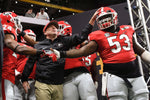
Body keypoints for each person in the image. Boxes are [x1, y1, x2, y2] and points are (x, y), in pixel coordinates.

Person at [52, 7, 150, 100]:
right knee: (118, 97)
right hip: (114, 75)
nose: (105, 20)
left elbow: (140, 51)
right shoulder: (98, 36)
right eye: (102, 19)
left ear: (114, 17)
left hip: (135, 73)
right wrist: (62, 54)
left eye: (107, 17)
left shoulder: (127, 30)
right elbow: (81, 51)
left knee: (142, 96)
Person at [21, 10, 99, 100]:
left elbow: (81, 37)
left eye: (55, 27)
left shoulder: (64, 42)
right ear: (45, 32)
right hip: (42, 83)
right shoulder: (38, 45)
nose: (54, 28)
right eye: (51, 27)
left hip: (59, 84)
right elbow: (29, 63)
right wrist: (24, 79)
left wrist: (92, 21)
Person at [0, 11, 46, 100]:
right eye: (16, 21)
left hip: (9, 74)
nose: (17, 24)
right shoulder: (7, 30)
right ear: (9, 20)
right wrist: (38, 52)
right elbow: (14, 45)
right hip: (5, 73)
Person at [57, 21, 99, 100]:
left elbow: (84, 41)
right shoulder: (53, 44)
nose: (56, 31)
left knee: (90, 98)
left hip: (81, 73)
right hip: (66, 78)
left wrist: (95, 79)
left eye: (59, 28)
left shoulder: (75, 40)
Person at [14, 29, 37, 100]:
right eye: (29, 36)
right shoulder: (19, 46)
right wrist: (15, 72)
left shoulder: (36, 48)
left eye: (33, 36)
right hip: (20, 78)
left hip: (33, 79)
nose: (31, 38)